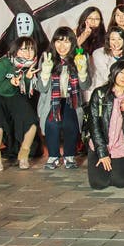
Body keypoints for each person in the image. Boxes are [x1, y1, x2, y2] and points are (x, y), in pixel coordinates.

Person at [37, 27, 90, 170]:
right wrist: (45, 73)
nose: (62, 46)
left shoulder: (80, 57)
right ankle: (53, 156)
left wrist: (82, 72)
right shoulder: (47, 57)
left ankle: (69, 156)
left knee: (70, 123)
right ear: (53, 43)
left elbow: (85, 85)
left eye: (66, 42)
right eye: (58, 41)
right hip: (52, 100)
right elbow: (42, 88)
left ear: (73, 43)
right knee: (52, 123)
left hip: (71, 99)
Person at [87, 58, 124, 190]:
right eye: (121, 72)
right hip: (100, 144)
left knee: (121, 182)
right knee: (99, 184)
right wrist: (102, 153)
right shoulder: (99, 94)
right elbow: (94, 125)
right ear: (114, 72)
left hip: (120, 145)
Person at [0, 37, 40, 171]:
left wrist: (27, 79)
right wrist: (11, 82)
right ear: (15, 50)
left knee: (31, 121)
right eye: (23, 49)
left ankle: (23, 154)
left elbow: (26, 91)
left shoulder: (32, 65)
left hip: (14, 95)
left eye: (31, 49)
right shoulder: (5, 62)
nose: (27, 53)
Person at [88, 26, 124, 104]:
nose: (116, 42)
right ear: (108, 40)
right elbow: (106, 77)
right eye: (113, 39)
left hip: (118, 93)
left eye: (119, 39)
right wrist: (114, 58)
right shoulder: (98, 53)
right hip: (100, 93)